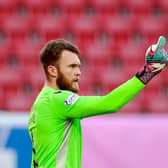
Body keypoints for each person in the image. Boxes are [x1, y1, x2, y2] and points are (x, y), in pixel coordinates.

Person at [28, 36, 168, 168]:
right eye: (71, 66)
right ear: (52, 71)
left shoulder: (40, 104)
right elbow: (109, 103)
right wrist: (148, 71)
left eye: (78, 66)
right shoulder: (57, 99)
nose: (78, 72)